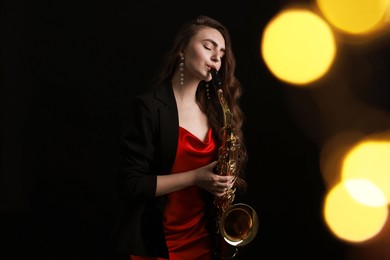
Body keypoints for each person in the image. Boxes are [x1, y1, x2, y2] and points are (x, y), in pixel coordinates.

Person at [111, 15, 248, 260]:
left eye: (222, 52)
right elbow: (130, 184)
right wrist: (196, 178)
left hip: (203, 242)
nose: (217, 56)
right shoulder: (148, 107)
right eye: (208, 46)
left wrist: (221, 187)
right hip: (157, 244)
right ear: (182, 50)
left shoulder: (216, 114)